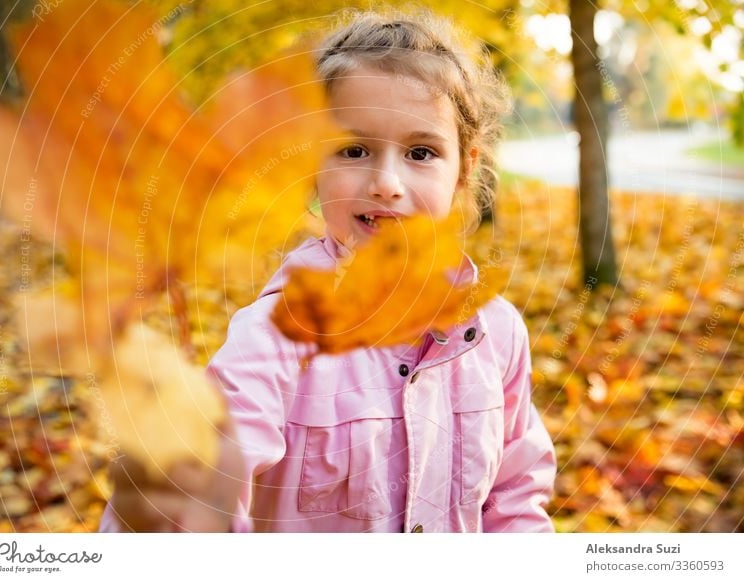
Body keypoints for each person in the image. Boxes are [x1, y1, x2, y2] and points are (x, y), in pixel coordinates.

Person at [101, 9, 556, 533]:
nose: (386, 181)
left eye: (421, 152)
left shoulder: (495, 336)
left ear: (465, 170)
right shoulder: (277, 339)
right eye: (354, 149)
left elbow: (514, 499)